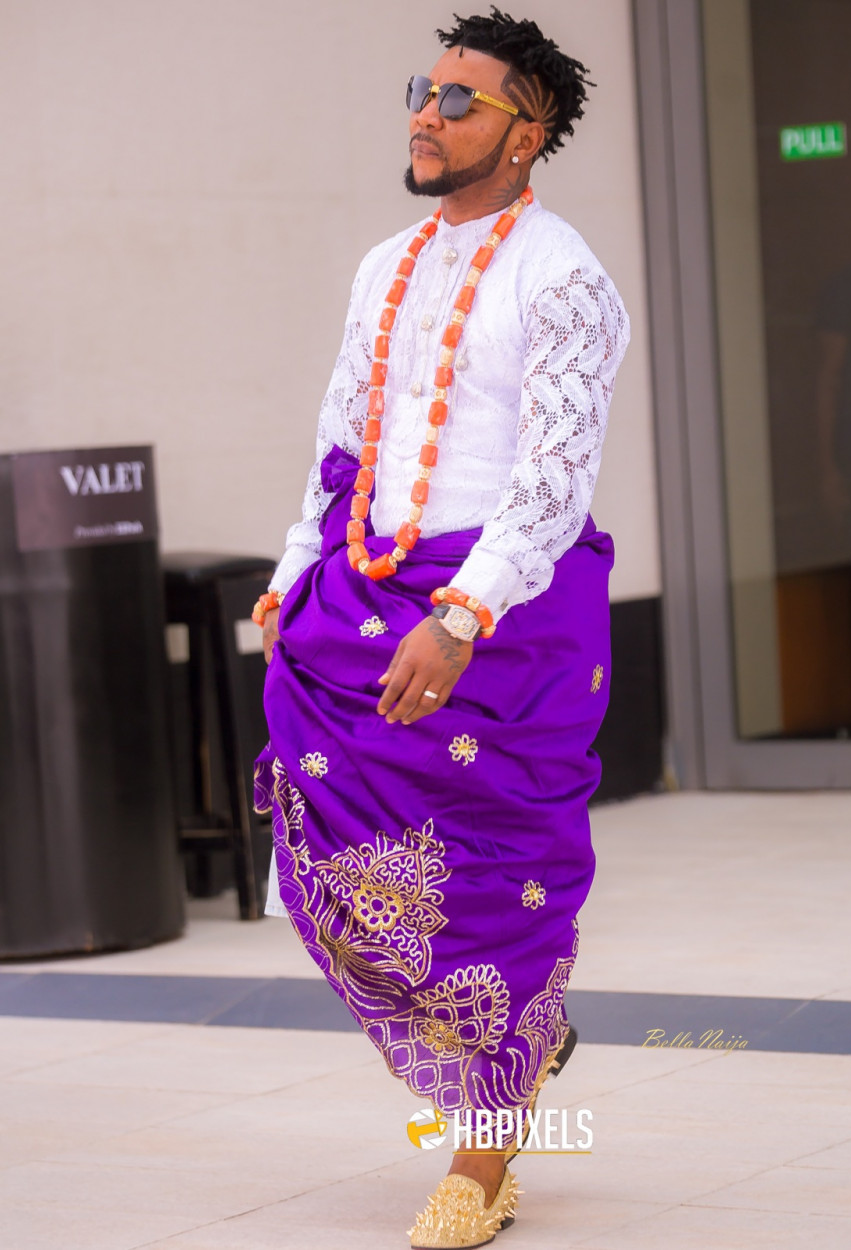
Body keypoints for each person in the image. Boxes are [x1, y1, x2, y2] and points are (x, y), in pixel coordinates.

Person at [252, 9, 629, 1246]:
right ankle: (526, 1037)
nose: (426, 111)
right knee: (341, 864)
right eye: (423, 88)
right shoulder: (385, 265)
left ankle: (484, 1158)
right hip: (365, 593)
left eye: (458, 99)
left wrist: (462, 615)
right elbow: (342, 441)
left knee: (492, 889)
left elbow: (553, 478)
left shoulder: (564, 278)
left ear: (525, 134)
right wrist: (295, 569)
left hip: (504, 618)